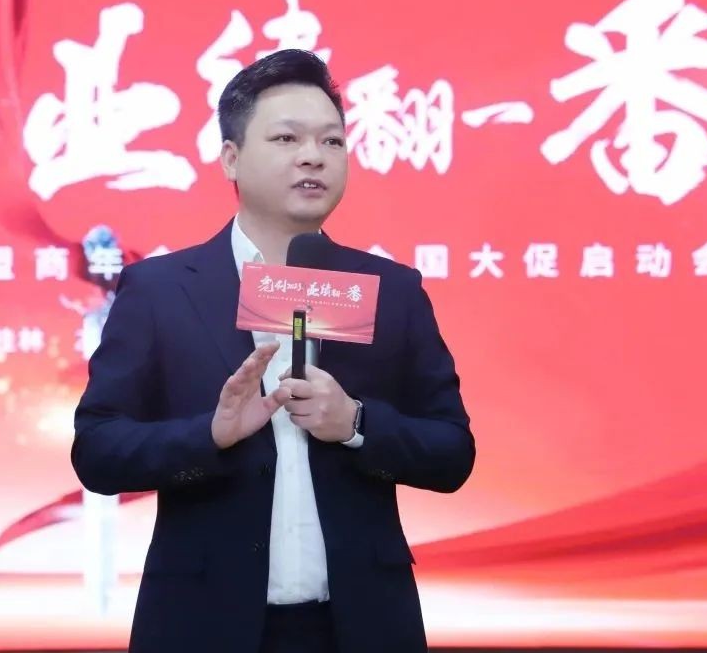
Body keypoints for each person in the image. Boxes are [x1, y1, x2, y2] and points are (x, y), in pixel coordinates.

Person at [71, 49, 475, 653]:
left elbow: (452, 453)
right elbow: (98, 452)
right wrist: (209, 435)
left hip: (360, 626)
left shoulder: (391, 291)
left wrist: (357, 424)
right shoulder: (160, 291)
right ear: (231, 158)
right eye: (287, 138)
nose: (314, 156)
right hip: (203, 626)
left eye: (332, 141)